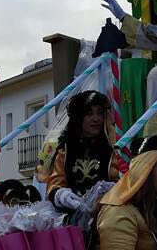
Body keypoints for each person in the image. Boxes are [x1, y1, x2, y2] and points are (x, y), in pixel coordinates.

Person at [45, 90, 118, 232]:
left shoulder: (113, 148)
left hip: (107, 218)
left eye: (100, 113)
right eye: (89, 114)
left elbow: (122, 180)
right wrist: (61, 195)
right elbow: (55, 183)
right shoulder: (65, 151)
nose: (96, 119)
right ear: (78, 118)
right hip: (73, 220)